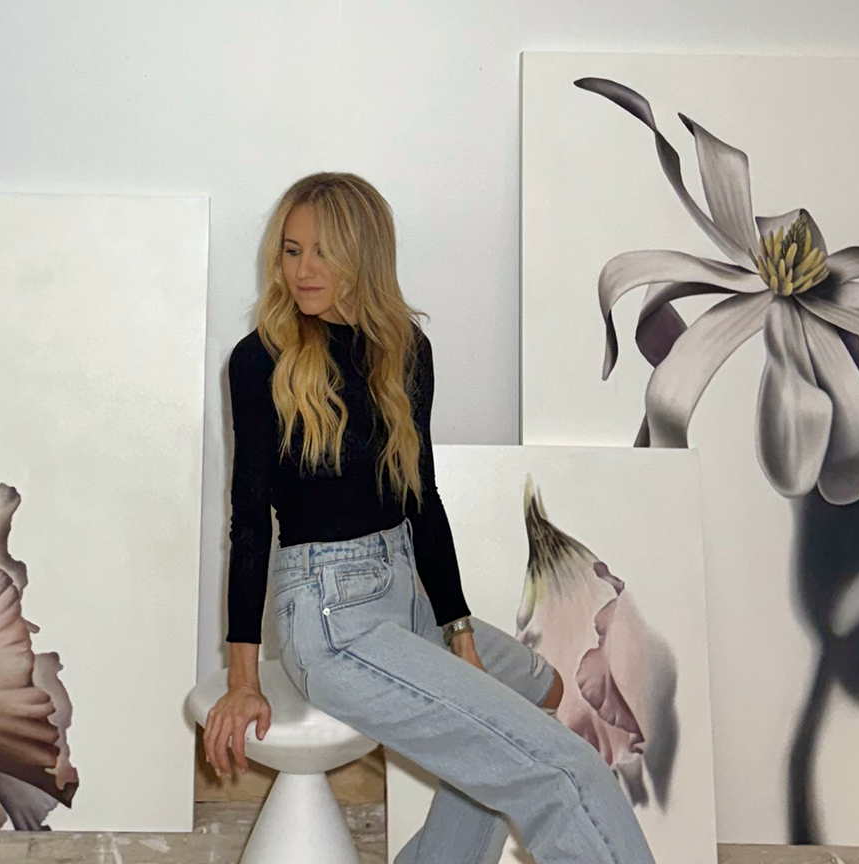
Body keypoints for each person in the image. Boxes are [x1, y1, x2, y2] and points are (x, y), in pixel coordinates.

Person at [203, 171, 657, 864]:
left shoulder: (404, 350)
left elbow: (423, 501)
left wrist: (459, 629)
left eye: (323, 252)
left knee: (541, 689)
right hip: (328, 618)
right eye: (292, 251)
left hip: (404, 591)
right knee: (567, 773)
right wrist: (242, 679)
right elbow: (248, 520)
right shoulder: (260, 360)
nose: (303, 271)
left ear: (365, 254)